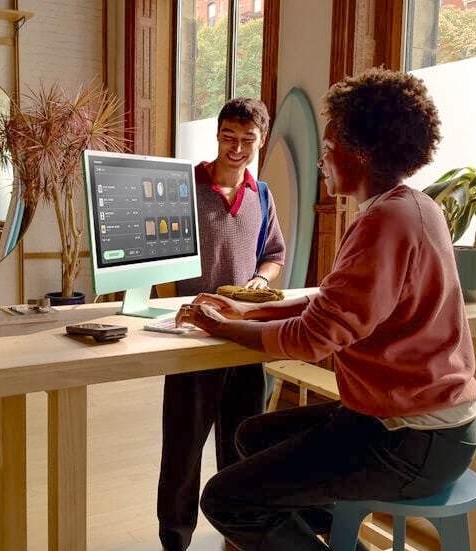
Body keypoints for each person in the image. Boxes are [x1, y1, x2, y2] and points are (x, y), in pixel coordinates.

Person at [178, 68, 476, 550]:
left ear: (358, 152)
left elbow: (313, 337)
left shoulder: (384, 221)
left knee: (225, 499)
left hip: (409, 440)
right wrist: (244, 312)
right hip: (418, 423)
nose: (322, 158)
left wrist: (221, 324)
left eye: (328, 145)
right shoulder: (413, 206)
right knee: (254, 436)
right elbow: (332, 304)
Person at [158, 97, 286, 551]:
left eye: (247, 140)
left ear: (260, 140)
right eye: (229, 137)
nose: (237, 148)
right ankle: (175, 539)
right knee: (183, 448)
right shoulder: (183, 187)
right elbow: (156, 256)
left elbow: (273, 255)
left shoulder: (262, 194)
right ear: (217, 135)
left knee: (241, 444)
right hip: (192, 338)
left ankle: (238, 535)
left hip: (245, 340)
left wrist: (258, 280)